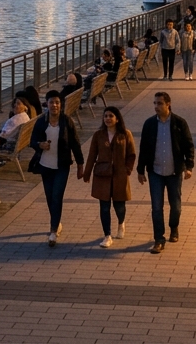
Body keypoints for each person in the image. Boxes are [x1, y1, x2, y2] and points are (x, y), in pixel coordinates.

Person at [136, 92, 194, 254]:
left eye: (160, 103)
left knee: (175, 206)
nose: (156, 107)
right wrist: (140, 170)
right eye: (154, 103)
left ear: (168, 104)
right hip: (155, 172)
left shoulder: (179, 123)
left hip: (174, 171)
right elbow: (144, 149)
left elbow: (188, 145)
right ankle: (159, 239)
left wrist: (189, 166)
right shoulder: (149, 124)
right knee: (156, 207)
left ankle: (174, 227)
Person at [28, 90, 85, 247]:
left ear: (61, 105)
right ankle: (57, 222)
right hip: (45, 165)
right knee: (49, 197)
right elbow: (31, 141)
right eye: (52, 102)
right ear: (47, 104)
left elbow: (75, 143)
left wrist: (81, 165)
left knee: (57, 196)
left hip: (62, 165)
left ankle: (53, 230)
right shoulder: (41, 122)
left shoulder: (67, 121)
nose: (54, 105)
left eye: (57, 102)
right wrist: (39, 145)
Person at [81, 106, 137, 247]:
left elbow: (131, 154)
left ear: (117, 118)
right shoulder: (98, 135)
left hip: (119, 176)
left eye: (111, 116)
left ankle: (121, 223)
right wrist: (87, 173)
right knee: (104, 207)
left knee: (119, 205)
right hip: (102, 175)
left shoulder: (125, 134)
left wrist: (127, 170)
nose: (107, 119)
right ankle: (107, 235)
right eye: (105, 116)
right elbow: (92, 155)